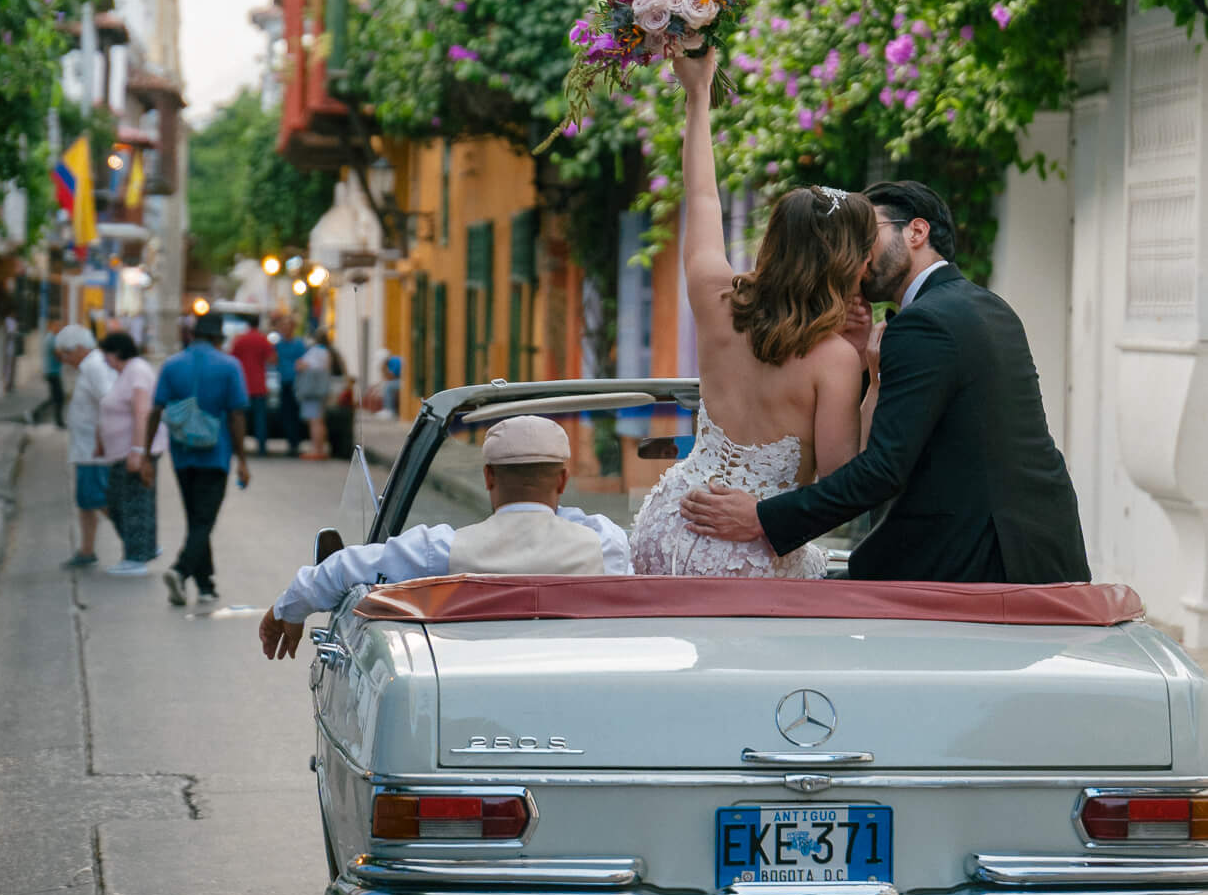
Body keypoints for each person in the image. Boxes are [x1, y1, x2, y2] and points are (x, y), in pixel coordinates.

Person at [681, 179, 1092, 584]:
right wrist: (866, 371)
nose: (859, 252)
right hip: (1036, 547)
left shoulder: (925, 322)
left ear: (916, 231)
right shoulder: (984, 305)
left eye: (868, 234)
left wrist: (762, 519)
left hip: (982, 561)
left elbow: (881, 470)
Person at [631, 49, 874, 578]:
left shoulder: (719, 300)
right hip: (749, 551)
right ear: (848, 261)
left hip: (670, 524)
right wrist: (868, 371)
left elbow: (701, 199)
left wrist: (697, 97)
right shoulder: (834, 359)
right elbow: (841, 481)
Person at [259, 414, 630, 659]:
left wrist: (288, 608)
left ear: (488, 477)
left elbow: (344, 568)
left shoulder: (440, 550)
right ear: (563, 480)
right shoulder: (602, 543)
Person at [147, 310, 249, 609]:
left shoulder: (172, 364)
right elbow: (237, 414)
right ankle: (180, 571)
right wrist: (242, 458)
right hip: (215, 454)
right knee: (204, 520)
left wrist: (144, 451)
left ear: (192, 334)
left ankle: (206, 584)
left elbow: (156, 410)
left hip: (181, 453)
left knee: (196, 519)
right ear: (219, 337)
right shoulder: (229, 366)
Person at [97, 331, 162, 575]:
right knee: (119, 501)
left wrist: (137, 451)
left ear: (116, 353)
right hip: (122, 452)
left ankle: (136, 557)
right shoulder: (126, 373)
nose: (104, 360)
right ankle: (142, 548)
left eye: (106, 354)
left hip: (133, 452)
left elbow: (141, 413)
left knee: (131, 503)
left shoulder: (137, 371)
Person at [56, 323, 114, 570]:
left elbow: (108, 400)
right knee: (86, 502)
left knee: (96, 499)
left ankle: (134, 537)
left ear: (79, 348)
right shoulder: (90, 366)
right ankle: (86, 549)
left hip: (94, 449)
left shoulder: (94, 367)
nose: (65, 360)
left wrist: (102, 438)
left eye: (67, 354)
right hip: (86, 448)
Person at [230, 315, 274, 457]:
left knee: (240, 417)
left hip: (242, 385)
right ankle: (261, 448)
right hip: (259, 385)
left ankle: (239, 447)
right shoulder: (263, 340)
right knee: (260, 419)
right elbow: (273, 359)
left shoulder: (240, 339)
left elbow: (232, 359)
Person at [296, 329, 334, 458]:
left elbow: (302, 365)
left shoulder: (315, 352)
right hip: (322, 390)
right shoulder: (327, 352)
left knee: (314, 421)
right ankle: (321, 449)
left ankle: (316, 450)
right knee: (320, 420)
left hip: (312, 391)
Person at [273, 314, 306, 454]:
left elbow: (303, 361)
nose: (285, 329)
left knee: (296, 414)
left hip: (296, 384)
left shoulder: (299, 344)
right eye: (282, 327)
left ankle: (295, 442)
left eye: (287, 326)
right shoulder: (278, 345)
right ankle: (291, 441)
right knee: (285, 414)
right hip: (283, 383)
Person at [41, 326, 65, 428]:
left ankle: (58, 421)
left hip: (52, 371)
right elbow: (58, 354)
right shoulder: (52, 339)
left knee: (54, 397)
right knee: (59, 397)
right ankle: (59, 422)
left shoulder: (50, 338)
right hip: (52, 372)